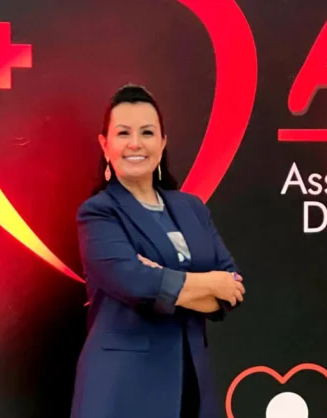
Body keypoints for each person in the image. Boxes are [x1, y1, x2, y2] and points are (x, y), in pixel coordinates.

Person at [70, 84, 246, 418]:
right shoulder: (99, 213)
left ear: (162, 143)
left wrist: (162, 278)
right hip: (123, 389)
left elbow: (232, 288)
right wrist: (209, 283)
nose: (135, 143)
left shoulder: (192, 208)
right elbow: (136, 284)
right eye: (123, 133)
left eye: (147, 132)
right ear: (105, 145)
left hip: (191, 386)